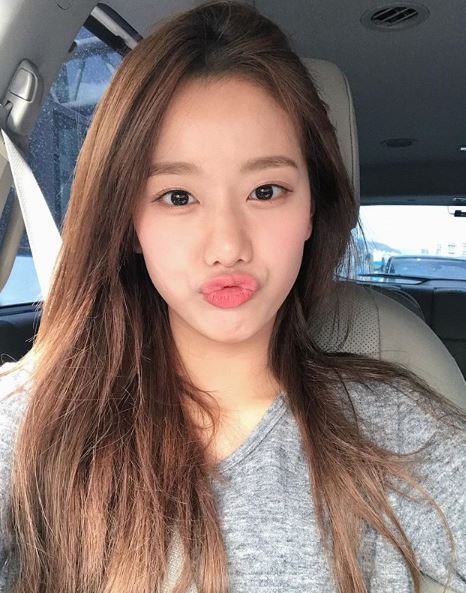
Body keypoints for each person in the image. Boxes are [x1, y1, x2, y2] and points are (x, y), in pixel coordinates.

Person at [0, 2, 465, 592]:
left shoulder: (394, 428)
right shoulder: (38, 419)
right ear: (128, 223)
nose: (227, 247)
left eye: (266, 190)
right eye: (178, 197)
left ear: (312, 209)